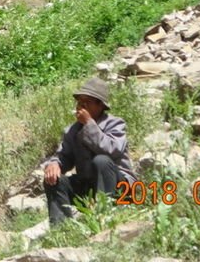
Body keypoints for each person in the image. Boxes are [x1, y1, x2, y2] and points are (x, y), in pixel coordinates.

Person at [42, 77, 136, 226]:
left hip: (120, 188)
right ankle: (62, 229)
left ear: (100, 106)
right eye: (80, 102)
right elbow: (64, 156)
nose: (81, 106)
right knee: (53, 179)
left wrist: (89, 124)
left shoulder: (115, 124)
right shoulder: (73, 130)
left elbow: (112, 149)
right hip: (89, 187)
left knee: (101, 161)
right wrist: (54, 164)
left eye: (87, 102)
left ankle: (106, 217)